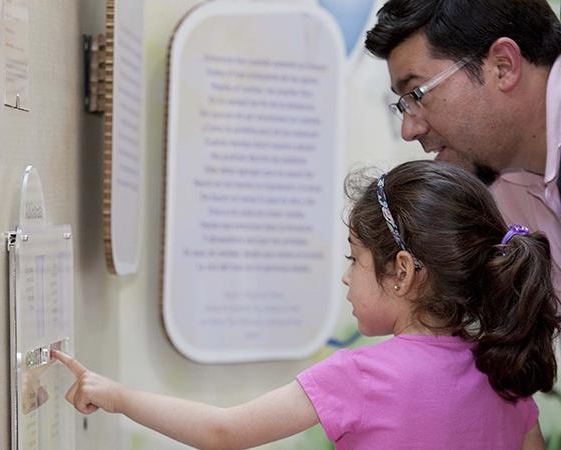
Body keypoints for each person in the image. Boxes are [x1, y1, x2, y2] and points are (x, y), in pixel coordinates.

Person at [54, 161, 560, 449]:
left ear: (402, 272)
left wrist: (116, 395)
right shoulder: (505, 375)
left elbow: (224, 431)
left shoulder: (362, 374)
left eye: (354, 258)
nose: (344, 275)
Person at [364, 0, 561, 288]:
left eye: (416, 95)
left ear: (503, 66)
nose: (409, 130)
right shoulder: (496, 186)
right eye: (402, 106)